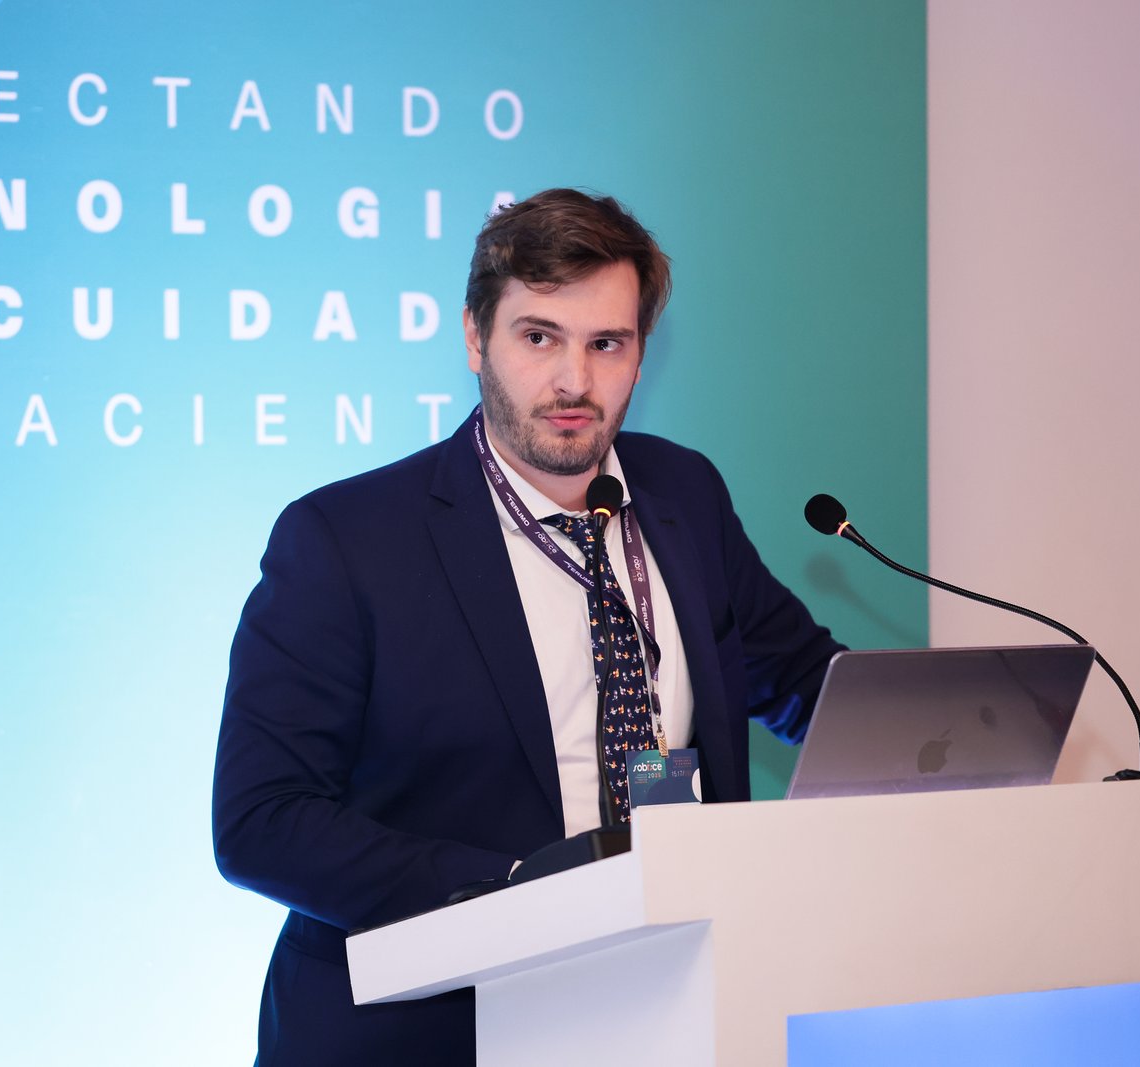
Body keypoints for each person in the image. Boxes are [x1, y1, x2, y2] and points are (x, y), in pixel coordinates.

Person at [212, 188, 845, 1065]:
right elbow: (263, 820)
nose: (574, 381)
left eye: (606, 343)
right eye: (539, 337)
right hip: (432, 1030)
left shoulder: (683, 493)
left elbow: (806, 682)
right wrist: (518, 893)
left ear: (641, 354)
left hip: (672, 1006)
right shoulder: (346, 540)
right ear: (476, 337)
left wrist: (953, 738)